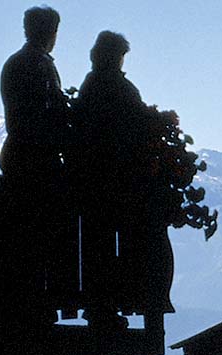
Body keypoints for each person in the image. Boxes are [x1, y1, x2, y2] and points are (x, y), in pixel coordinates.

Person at [72, 30, 153, 327]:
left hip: (94, 181)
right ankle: (106, 307)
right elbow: (139, 123)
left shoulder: (90, 85)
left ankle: (100, 306)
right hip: (116, 182)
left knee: (97, 246)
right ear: (114, 56)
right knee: (109, 247)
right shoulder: (117, 86)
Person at [0, 7, 70, 306]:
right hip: (38, 162)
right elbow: (54, 114)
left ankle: (25, 299)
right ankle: (43, 301)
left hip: (16, 158)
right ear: (50, 33)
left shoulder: (13, 63)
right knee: (44, 234)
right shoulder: (42, 66)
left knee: (23, 235)